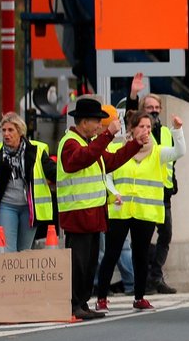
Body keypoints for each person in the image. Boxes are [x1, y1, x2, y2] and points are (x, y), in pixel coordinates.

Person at [57, 96, 147, 320]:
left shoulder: (89, 143)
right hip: (77, 215)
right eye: (96, 121)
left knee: (88, 265)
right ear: (83, 122)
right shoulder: (70, 143)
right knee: (78, 264)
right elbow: (82, 159)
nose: (100, 125)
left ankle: (83, 303)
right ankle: (74, 304)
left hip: (93, 214)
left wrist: (135, 144)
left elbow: (112, 160)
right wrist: (108, 135)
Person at [94, 110, 186, 312]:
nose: (146, 130)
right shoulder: (119, 148)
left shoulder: (157, 151)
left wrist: (177, 130)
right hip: (120, 210)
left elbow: (179, 151)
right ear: (132, 129)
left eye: (148, 127)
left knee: (141, 255)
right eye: (142, 126)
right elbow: (107, 174)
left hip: (145, 212)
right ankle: (101, 297)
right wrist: (113, 192)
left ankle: (139, 297)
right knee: (111, 253)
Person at [126, 73, 177, 294]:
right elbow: (129, 116)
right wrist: (134, 95)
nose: (154, 110)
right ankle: (145, 278)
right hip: (143, 195)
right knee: (142, 240)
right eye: (149, 107)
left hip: (163, 194)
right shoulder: (141, 131)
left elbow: (173, 160)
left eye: (157, 107)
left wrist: (173, 183)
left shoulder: (166, 132)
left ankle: (155, 275)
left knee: (166, 235)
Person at [0, 112, 57, 253]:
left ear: (20, 132)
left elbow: (53, 172)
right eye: (3, 130)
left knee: (24, 252)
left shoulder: (36, 151)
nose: (6, 134)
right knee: (7, 252)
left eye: (10, 130)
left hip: (29, 209)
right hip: (6, 207)